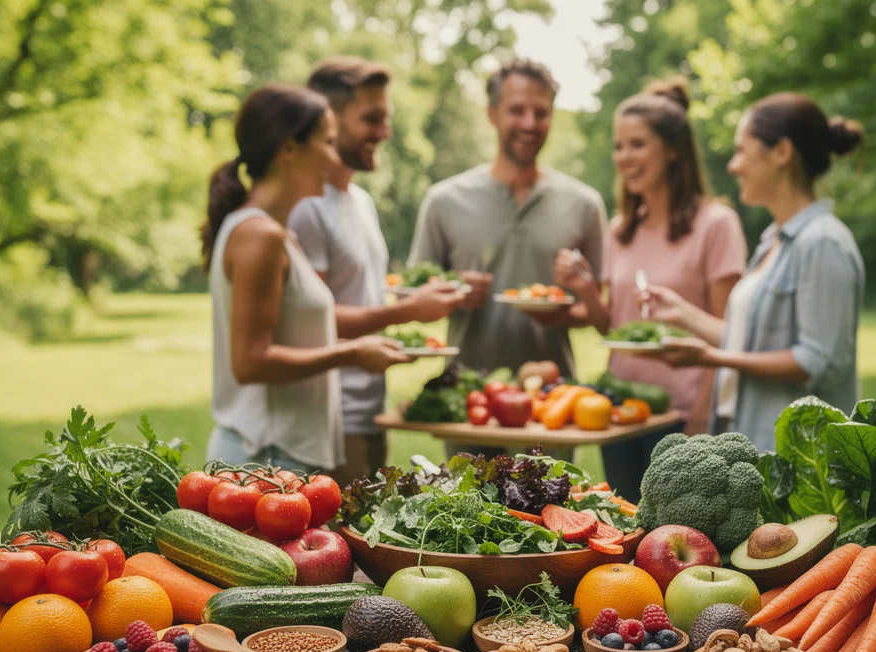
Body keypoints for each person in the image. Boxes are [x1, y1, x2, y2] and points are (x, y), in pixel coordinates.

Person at [553, 78, 745, 502]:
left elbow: (729, 332)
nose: (625, 157)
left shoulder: (715, 225)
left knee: (677, 542)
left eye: (637, 145)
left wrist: (701, 415)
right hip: (618, 410)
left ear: (672, 150)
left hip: (682, 414)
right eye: (619, 146)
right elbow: (614, 325)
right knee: (625, 534)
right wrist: (584, 290)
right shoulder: (621, 229)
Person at [202, 84, 410, 473]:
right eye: (328, 143)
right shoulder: (260, 236)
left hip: (282, 457)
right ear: (288, 149)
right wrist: (351, 353)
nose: (334, 157)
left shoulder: (277, 235)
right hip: (263, 458)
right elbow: (250, 362)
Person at [642, 92, 866, 452]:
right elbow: (754, 342)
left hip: (804, 462)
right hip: (751, 440)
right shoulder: (772, 240)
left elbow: (815, 361)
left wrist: (708, 358)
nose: (733, 165)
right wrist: (682, 314)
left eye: (741, 150)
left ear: (781, 153)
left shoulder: (822, 243)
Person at [289, 57, 466, 485]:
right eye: (372, 119)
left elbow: (358, 297)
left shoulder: (361, 202)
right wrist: (406, 313)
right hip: (327, 418)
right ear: (328, 119)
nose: (385, 132)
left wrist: (422, 296)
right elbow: (313, 319)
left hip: (371, 410)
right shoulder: (306, 207)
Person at [407, 58, 607, 382]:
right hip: (466, 398)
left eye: (541, 113)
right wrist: (453, 293)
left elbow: (597, 314)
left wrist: (561, 314)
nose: (529, 123)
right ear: (492, 114)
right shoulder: (443, 200)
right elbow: (414, 303)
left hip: (553, 404)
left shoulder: (585, 204)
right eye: (516, 110)